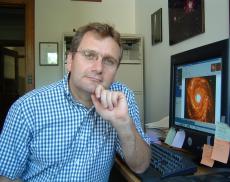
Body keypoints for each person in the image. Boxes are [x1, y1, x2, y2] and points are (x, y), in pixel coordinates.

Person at [0, 22, 151, 182]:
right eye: (89, 55)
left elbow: (140, 166)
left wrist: (123, 123)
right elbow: (6, 176)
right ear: (70, 61)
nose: (98, 68)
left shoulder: (122, 97)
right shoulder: (27, 108)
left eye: (109, 61)